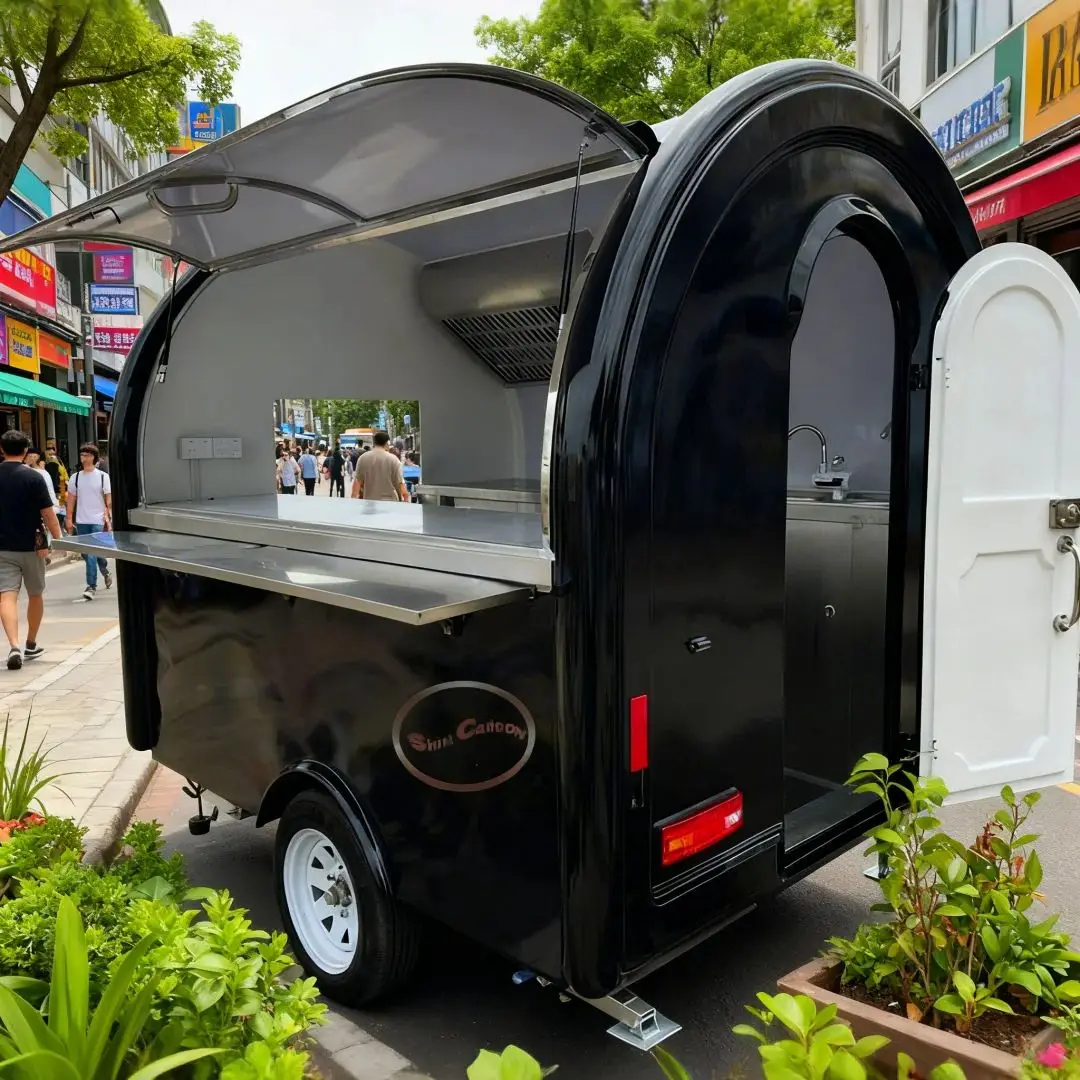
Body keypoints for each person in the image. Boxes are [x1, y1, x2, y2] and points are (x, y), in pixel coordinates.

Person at [0, 430, 62, 669]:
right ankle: (30, 643)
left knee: (6, 595)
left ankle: (14, 645)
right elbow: (48, 513)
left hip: (3, 547)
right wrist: (59, 539)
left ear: (2, 450)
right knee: (35, 593)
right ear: (26, 451)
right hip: (34, 546)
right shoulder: (34, 477)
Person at [66, 443, 113, 602]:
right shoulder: (76, 477)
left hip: (98, 520)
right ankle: (105, 570)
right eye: (82, 455)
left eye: (87, 455)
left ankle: (91, 586)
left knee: (91, 551)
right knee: (86, 553)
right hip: (81, 520)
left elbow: (108, 498)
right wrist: (68, 518)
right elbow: (71, 499)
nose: (84, 458)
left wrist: (109, 514)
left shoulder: (102, 476)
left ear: (94, 457)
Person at [351, 431, 410, 503]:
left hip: (369, 503)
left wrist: (354, 499)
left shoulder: (363, 458)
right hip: (391, 503)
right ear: (387, 443)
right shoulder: (393, 459)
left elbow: (357, 482)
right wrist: (405, 498)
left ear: (374, 442)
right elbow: (400, 483)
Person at [26, 448, 60, 560]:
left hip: (42, 507)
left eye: (34, 456)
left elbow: (49, 491)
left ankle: (46, 551)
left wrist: (53, 504)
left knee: (42, 529)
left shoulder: (43, 473)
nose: (31, 458)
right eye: (29, 456)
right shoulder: (23, 471)